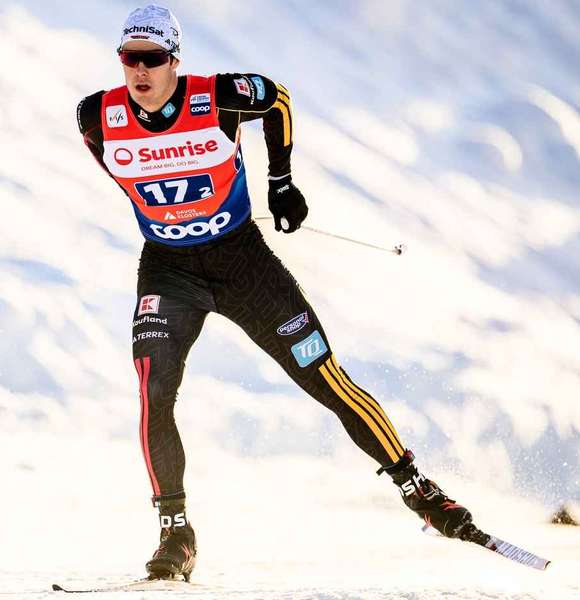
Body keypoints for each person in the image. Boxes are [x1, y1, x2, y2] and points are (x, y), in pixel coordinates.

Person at [76, 4, 474, 582]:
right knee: (152, 389)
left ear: (174, 60)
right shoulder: (97, 114)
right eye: (129, 58)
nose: (139, 70)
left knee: (323, 375)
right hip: (168, 269)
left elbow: (279, 100)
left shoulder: (218, 94)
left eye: (152, 59)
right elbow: (117, 166)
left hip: (242, 261)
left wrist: (280, 181)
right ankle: (176, 533)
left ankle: (418, 489)